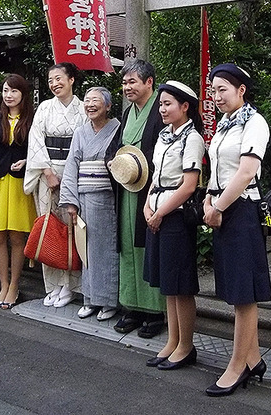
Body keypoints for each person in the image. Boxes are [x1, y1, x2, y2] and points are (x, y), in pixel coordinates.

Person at [202, 63, 271, 397]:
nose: (216, 97)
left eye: (222, 90)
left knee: (244, 294)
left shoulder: (255, 123)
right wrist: (207, 199)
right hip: (222, 208)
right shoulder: (225, 125)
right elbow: (217, 168)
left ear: (241, 91)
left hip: (241, 210)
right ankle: (254, 358)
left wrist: (217, 206)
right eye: (213, 90)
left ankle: (237, 366)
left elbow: (245, 173)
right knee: (234, 288)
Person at [142, 81, 205, 370]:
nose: (163, 109)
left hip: (176, 216)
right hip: (157, 211)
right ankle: (172, 341)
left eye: (168, 104)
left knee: (180, 284)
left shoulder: (192, 139)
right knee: (168, 283)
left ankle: (186, 346)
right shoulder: (164, 135)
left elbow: (188, 185)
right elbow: (155, 175)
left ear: (185, 107)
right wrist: (147, 205)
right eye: (161, 104)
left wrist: (160, 213)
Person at [111, 59, 165, 338]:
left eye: (132, 81)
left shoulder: (161, 109)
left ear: (149, 83)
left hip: (152, 188)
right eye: (124, 82)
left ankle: (154, 311)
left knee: (147, 247)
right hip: (128, 185)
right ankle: (131, 305)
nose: (127, 87)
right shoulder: (128, 113)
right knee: (128, 246)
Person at [25, 62, 86, 308]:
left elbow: (84, 144)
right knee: (49, 227)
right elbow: (36, 141)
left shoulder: (83, 109)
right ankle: (53, 285)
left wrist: (68, 175)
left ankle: (72, 286)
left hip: (74, 174)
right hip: (47, 174)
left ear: (72, 79)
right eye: (51, 80)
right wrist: (48, 173)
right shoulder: (44, 108)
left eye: (59, 78)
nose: (54, 84)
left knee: (73, 229)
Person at [58, 87, 121, 321]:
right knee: (86, 250)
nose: (90, 104)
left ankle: (107, 301)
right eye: (87, 100)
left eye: (96, 100)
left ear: (107, 106)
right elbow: (72, 165)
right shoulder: (81, 132)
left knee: (105, 249)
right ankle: (90, 298)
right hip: (83, 198)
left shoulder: (117, 129)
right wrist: (71, 202)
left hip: (106, 197)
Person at [0, 74, 37, 310]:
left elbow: (37, 151)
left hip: (21, 184)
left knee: (17, 235)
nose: (8, 95)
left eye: (13, 91)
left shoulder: (32, 119)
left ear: (23, 94)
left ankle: (14, 286)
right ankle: (3, 284)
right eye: (5, 91)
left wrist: (26, 162)